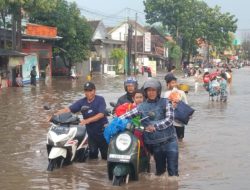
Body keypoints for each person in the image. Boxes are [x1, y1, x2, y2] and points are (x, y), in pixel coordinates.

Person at [120, 78, 178, 177]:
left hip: (170, 141)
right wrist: (115, 122)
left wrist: (154, 126)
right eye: (149, 90)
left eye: (153, 90)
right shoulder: (141, 107)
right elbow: (127, 116)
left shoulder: (166, 102)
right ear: (146, 92)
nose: (151, 93)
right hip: (155, 144)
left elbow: (169, 120)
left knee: (173, 172)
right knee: (160, 172)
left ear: (158, 91)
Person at [54, 82, 108, 160]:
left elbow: (101, 114)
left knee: (105, 156)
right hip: (91, 134)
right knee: (92, 156)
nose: (88, 93)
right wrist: (54, 116)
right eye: (86, 91)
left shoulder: (100, 99)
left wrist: (87, 120)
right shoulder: (82, 102)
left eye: (90, 90)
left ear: (94, 91)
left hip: (102, 132)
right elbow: (68, 109)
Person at [164, 75, 188, 141]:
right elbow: (164, 106)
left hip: (180, 120)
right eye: (172, 83)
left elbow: (186, 104)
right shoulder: (166, 93)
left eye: (175, 82)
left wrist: (179, 103)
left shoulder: (181, 92)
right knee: (171, 139)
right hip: (170, 121)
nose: (174, 84)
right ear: (168, 84)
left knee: (180, 140)